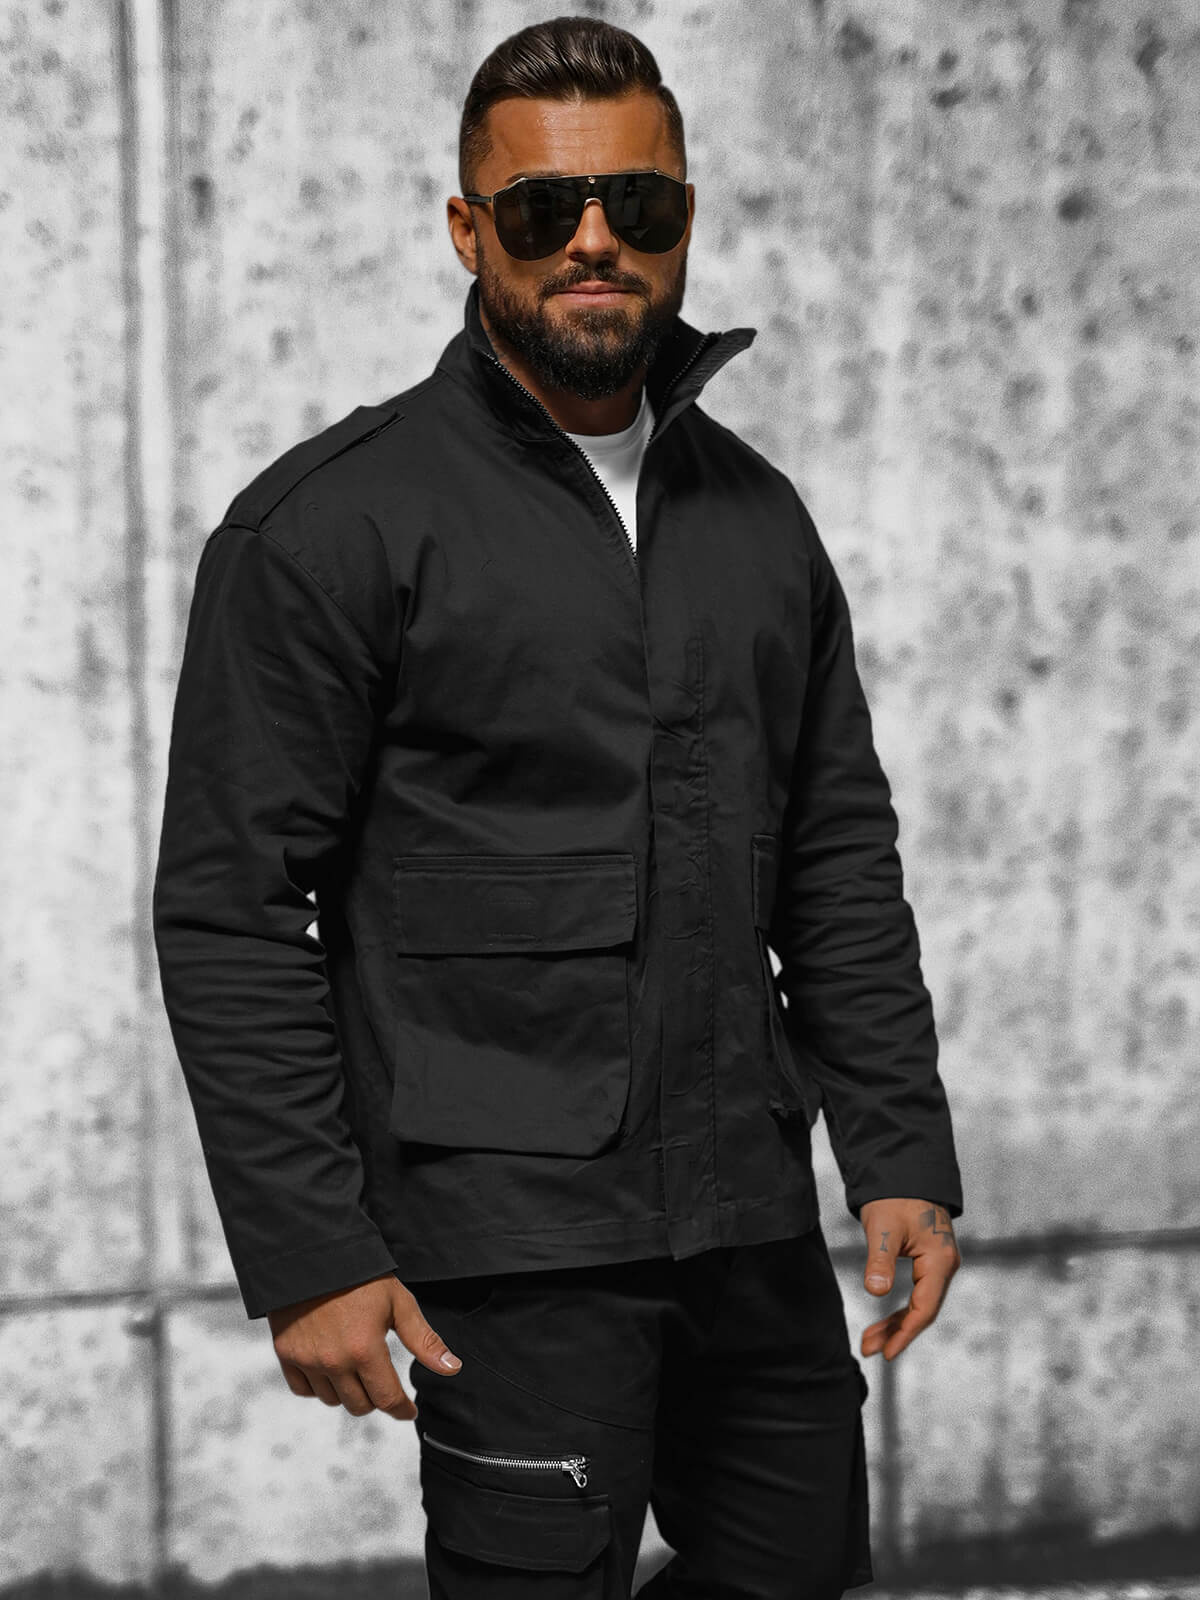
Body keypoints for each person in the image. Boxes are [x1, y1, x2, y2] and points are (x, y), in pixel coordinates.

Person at [152, 14, 964, 1598]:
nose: (594, 240)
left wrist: (898, 1148)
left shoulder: (758, 520)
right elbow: (233, 908)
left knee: (801, 1572)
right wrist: (312, 1252)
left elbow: (836, 862)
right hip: (506, 1242)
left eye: (634, 204)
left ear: (683, 218)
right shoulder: (331, 527)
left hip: (747, 1215)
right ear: (470, 231)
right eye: (542, 210)